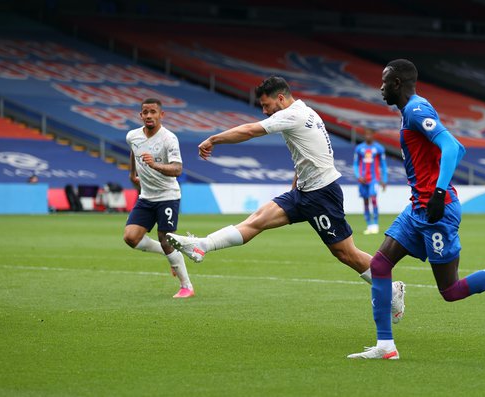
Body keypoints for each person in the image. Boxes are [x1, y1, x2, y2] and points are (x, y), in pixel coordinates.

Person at [347, 59, 485, 360]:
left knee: (451, 290)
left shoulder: (416, 110)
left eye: (384, 82)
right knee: (380, 265)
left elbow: (453, 146)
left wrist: (438, 192)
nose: (380, 88)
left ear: (396, 83)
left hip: (437, 210)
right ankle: (385, 346)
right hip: (418, 208)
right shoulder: (411, 112)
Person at [166, 76, 406, 319]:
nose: (265, 110)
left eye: (266, 105)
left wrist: (213, 139)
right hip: (303, 192)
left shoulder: (293, 114)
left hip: (322, 194)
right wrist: (295, 187)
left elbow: (250, 130)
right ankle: (202, 245)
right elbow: (306, 155)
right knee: (257, 220)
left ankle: (391, 289)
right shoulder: (306, 112)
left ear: (281, 98)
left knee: (346, 253)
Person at [122, 98, 194, 298]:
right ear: (140, 115)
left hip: (167, 196)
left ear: (161, 115)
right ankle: (170, 252)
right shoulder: (133, 136)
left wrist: (155, 165)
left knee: (165, 238)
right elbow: (134, 151)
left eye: (153, 112)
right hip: (146, 196)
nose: (148, 116)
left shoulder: (169, 139)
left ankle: (187, 286)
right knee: (130, 237)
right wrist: (131, 173)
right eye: (145, 112)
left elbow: (177, 169)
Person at [353, 128, 388, 234]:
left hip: (374, 179)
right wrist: (358, 176)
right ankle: (369, 225)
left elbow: (383, 165)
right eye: (366, 134)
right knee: (365, 201)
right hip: (363, 179)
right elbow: (355, 164)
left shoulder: (379, 148)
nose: (368, 136)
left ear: (373, 135)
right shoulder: (359, 148)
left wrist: (384, 179)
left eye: (370, 134)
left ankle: (375, 224)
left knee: (373, 198)